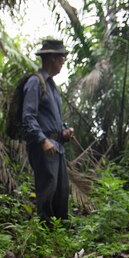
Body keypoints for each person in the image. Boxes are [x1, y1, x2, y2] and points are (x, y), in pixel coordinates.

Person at [22, 38, 74, 223]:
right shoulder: (36, 82)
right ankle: (44, 237)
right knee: (47, 192)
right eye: (61, 57)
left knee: (61, 193)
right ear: (51, 58)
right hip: (44, 147)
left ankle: (59, 237)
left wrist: (64, 132)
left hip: (57, 147)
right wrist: (43, 140)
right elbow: (28, 116)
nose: (63, 62)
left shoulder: (52, 86)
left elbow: (52, 119)